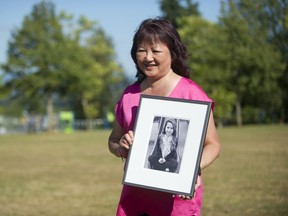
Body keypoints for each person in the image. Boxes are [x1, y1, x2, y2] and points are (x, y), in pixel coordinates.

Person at [108, 17, 221, 216]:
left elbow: (213, 145)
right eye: (141, 50)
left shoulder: (191, 93)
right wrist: (121, 147)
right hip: (135, 199)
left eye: (156, 50)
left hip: (177, 201)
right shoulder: (128, 95)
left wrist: (192, 169)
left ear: (173, 53)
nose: (147, 57)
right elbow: (113, 141)